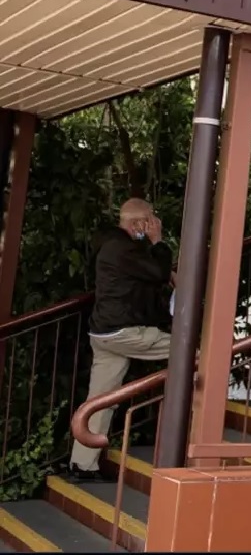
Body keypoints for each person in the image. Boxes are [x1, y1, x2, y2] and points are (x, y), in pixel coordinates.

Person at [69, 198, 174, 482]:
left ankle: (82, 464)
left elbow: (146, 274)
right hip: (124, 332)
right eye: (150, 219)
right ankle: (194, 423)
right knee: (194, 352)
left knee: (100, 399)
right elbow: (158, 272)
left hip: (103, 333)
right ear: (137, 223)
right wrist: (158, 241)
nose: (153, 224)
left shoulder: (112, 245)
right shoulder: (122, 248)